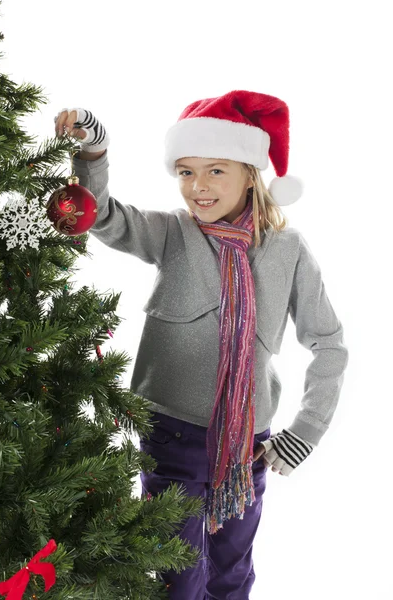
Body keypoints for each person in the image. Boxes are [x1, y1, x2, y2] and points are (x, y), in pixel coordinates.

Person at [54, 91, 349, 600]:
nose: (198, 187)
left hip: (247, 445)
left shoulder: (288, 250)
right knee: (176, 574)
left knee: (231, 572)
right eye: (186, 172)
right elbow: (102, 216)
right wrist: (93, 153)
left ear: (251, 174)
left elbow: (330, 344)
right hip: (171, 434)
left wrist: (307, 429)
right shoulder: (172, 233)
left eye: (215, 171)